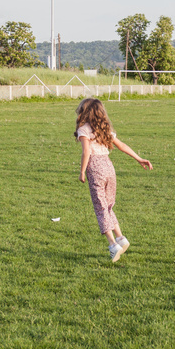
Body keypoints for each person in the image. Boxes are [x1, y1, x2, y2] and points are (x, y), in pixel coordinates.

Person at [75, 98, 152, 263]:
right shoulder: (104, 128)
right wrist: (139, 159)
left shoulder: (84, 129)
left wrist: (82, 171)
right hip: (109, 168)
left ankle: (112, 245)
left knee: (100, 207)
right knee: (108, 206)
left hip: (95, 167)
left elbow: (86, 152)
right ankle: (121, 238)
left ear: (85, 112)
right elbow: (121, 145)